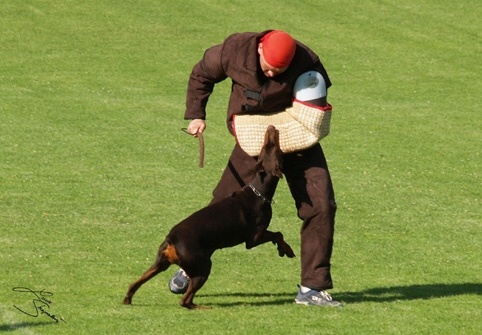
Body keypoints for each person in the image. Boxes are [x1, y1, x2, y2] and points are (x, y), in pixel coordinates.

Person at [169, 30, 342, 307]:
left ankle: (312, 289)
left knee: (322, 206)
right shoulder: (233, 50)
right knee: (223, 203)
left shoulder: (307, 62)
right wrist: (196, 114)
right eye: (269, 68)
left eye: (281, 70)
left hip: (296, 136)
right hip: (252, 137)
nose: (273, 74)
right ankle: (190, 263)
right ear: (260, 49)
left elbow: (315, 104)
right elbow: (202, 73)